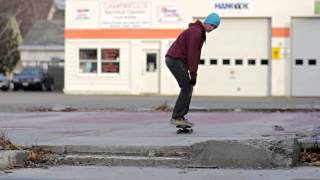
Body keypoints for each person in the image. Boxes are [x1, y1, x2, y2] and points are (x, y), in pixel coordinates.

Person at [165, 12, 221, 126]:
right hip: (175, 59)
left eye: (215, 27)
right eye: (212, 25)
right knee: (186, 87)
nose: (212, 28)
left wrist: (192, 74)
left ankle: (180, 116)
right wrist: (193, 75)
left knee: (188, 87)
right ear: (207, 22)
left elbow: (192, 55)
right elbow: (193, 55)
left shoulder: (197, 31)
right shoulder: (196, 32)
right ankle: (176, 117)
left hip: (177, 59)